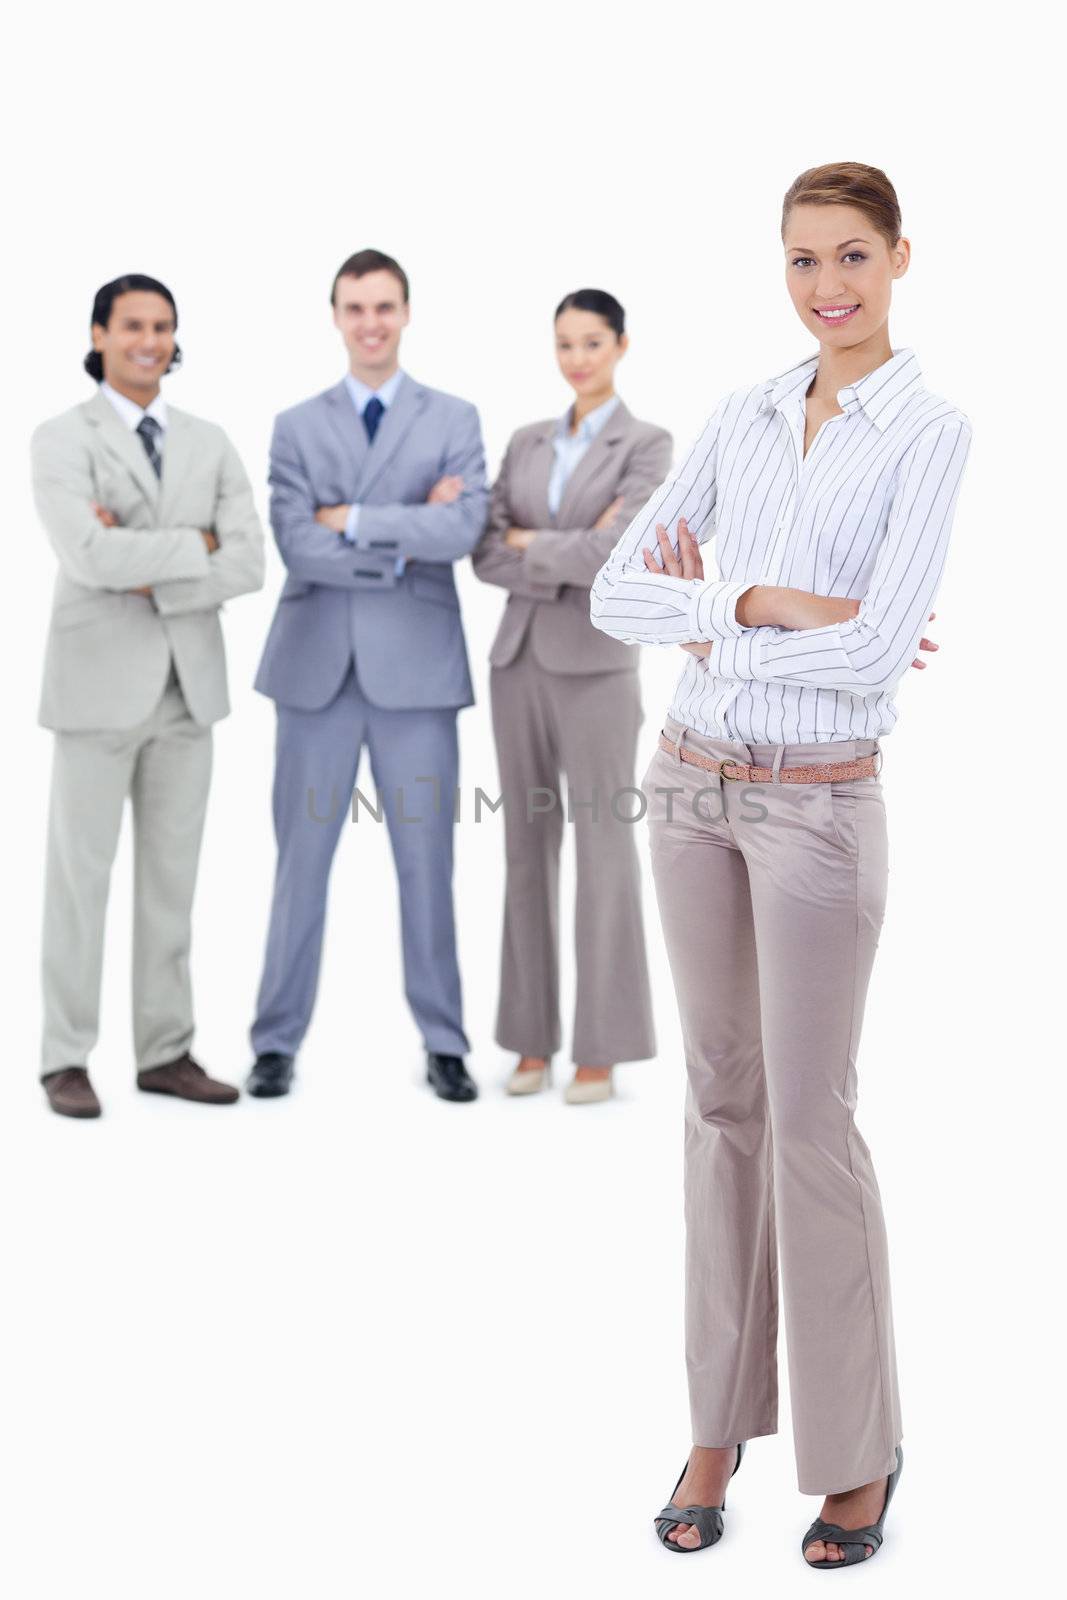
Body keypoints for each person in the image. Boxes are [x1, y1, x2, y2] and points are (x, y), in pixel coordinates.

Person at [590, 162, 971, 1565]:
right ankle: (714, 1423)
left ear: (897, 259)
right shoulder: (739, 413)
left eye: (852, 257)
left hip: (815, 810)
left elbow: (875, 649)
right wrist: (752, 600)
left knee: (811, 1122)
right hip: (686, 784)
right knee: (716, 1106)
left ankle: (855, 1451)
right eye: (803, 260)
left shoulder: (927, 433)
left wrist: (716, 620)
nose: (827, 288)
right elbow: (617, 591)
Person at [248, 249, 490, 1103]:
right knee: (297, 866)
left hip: (417, 677)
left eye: (384, 306)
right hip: (314, 673)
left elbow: (460, 530)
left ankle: (445, 1042)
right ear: (336, 315)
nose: (371, 322)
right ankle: (274, 1040)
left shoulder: (452, 416)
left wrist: (350, 520)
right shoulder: (295, 423)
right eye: (355, 307)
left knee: (428, 866)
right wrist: (402, 535)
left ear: (407, 311)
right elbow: (294, 545)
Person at [33, 274, 265, 1118]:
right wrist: (191, 545)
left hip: (187, 691)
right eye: (132, 325)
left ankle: (165, 1051)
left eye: (162, 326)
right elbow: (89, 558)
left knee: (173, 884)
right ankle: (65, 1057)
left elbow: (247, 562)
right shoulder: (61, 438)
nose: (149, 340)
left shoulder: (209, 440)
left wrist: (148, 557)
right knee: (77, 882)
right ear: (99, 334)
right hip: (95, 692)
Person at [473, 289, 670, 1103]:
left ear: (620, 345)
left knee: (603, 851)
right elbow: (484, 550)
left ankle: (602, 1047)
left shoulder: (646, 446)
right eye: (564, 344)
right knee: (523, 848)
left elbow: (616, 554)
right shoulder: (524, 441)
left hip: (595, 667)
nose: (577, 358)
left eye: (591, 342)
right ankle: (528, 1040)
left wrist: (535, 542)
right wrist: (559, 546)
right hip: (515, 660)